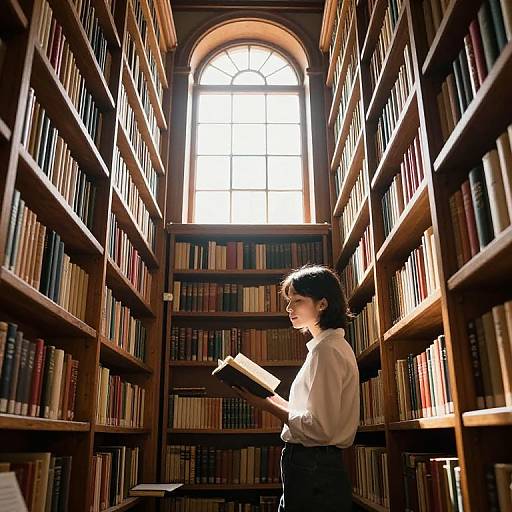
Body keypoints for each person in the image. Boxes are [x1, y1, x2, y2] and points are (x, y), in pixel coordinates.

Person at [233, 264, 359, 511]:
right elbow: (310, 415)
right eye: (289, 301)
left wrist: (266, 405)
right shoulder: (325, 348)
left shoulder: (327, 351)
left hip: (312, 465)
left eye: (298, 301)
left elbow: (319, 429)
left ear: (322, 304)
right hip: (312, 465)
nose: (289, 308)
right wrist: (269, 395)